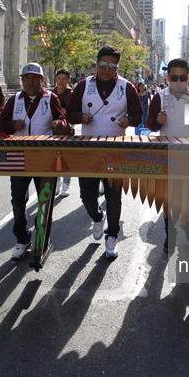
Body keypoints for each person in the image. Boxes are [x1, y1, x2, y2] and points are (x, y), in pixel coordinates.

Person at [65, 46, 142, 258]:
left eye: (112, 65)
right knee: (86, 196)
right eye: (103, 64)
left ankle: (112, 235)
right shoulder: (83, 85)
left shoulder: (127, 87)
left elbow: (137, 114)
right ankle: (97, 217)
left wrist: (128, 120)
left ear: (117, 66)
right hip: (89, 148)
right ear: (96, 64)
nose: (106, 69)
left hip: (114, 149)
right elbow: (69, 113)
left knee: (113, 196)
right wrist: (81, 117)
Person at [0, 62, 66, 259]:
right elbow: (1, 123)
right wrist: (13, 125)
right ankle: (22, 238)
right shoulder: (14, 100)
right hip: (19, 157)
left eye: (34, 78)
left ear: (41, 80)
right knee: (18, 201)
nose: (29, 81)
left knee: (45, 200)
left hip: (44, 157)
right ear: (22, 80)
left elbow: (63, 120)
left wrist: (58, 124)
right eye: (26, 78)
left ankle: (42, 237)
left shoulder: (50, 98)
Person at [146, 58, 189, 252]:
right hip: (166, 153)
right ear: (167, 77)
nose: (178, 81)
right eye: (174, 77)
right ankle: (171, 233)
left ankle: (187, 225)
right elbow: (150, 124)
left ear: (187, 77)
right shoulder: (159, 96)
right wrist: (157, 121)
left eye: (182, 77)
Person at [52, 69, 74, 197]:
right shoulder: (51, 93)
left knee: (65, 157)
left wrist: (60, 110)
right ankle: (57, 181)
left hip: (66, 130)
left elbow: (72, 112)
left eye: (64, 79)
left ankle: (66, 183)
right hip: (52, 130)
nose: (61, 81)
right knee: (53, 157)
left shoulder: (71, 94)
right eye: (59, 78)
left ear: (68, 81)